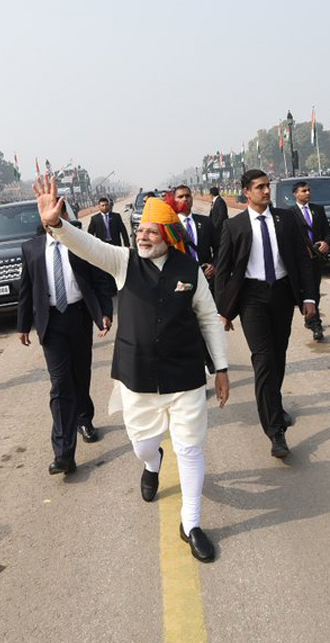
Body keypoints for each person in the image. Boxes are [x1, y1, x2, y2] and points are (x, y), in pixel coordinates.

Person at [34, 178, 229, 562]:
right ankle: (152, 463)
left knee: (190, 448)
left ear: (169, 236)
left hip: (185, 375)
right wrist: (57, 226)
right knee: (142, 443)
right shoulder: (124, 262)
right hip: (137, 378)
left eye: (151, 231)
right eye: (140, 229)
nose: (142, 236)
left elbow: (208, 318)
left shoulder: (189, 270)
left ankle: (190, 523)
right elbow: (89, 247)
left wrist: (220, 368)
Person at [215, 168, 317, 459]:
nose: (266, 191)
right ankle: (275, 432)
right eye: (259, 187)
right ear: (247, 192)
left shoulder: (286, 220)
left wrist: (309, 297)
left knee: (279, 356)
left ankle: (274, 403)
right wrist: (223, 311)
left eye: (267, 186)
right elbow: (223, 271)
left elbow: (302, 260)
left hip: (283, 294)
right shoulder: (234, 227)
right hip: (252, 299)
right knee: (263, 360)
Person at [17, 214, 113, 474]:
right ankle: (63, 454)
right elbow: (26, 288)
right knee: (60, 384)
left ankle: (84, 419)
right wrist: (23, 324)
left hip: (79, 316)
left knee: (80, 375)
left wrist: (105, 311)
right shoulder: (31, 248)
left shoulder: (81, 244)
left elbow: (100, 279)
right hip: (51, 322)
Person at [290, 180, 330, 342]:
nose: (307, 193)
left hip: (316, 259)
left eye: (308, 190)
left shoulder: (318, 210)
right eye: (303, 191)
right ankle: (311, 319)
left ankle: (315, 323)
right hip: (299, 260)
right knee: (303, 291)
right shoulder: (289, 213)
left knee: (314, 289)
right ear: (295, 194)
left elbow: (328, 231)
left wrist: (326, 242)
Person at [172, 184, 215, 279]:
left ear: (192, 198)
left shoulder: (206, 222)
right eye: (180, 197)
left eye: (187, 196)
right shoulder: (171, 225)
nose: (184, 199)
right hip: (181, 277)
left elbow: (219, 248)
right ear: (174, 200)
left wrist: (214, 265)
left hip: (205, 276)